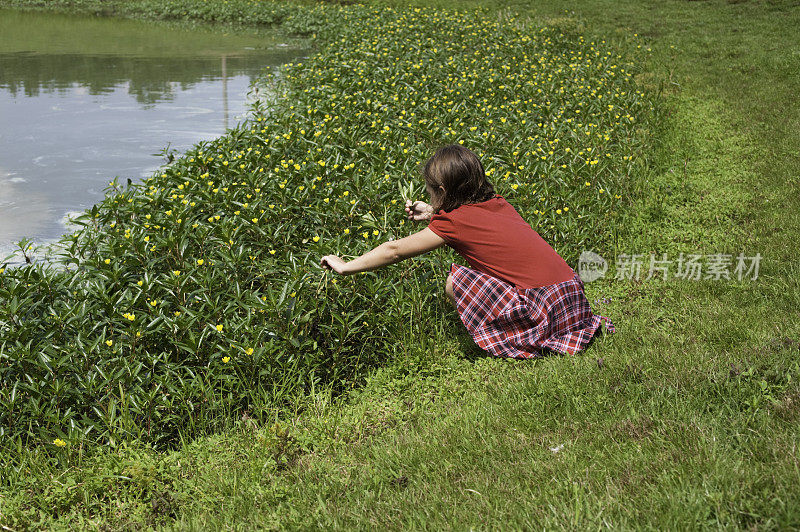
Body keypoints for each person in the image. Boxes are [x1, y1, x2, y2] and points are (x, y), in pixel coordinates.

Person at [320, 144, 615, 358]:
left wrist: (346, 266)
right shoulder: (498, 202)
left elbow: (394, 250)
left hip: (546, 309)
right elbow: (469, 222)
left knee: (455, 282)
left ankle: (505, 343)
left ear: (442, 192)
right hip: (574, 301)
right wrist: (433, 213)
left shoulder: (453, 222)